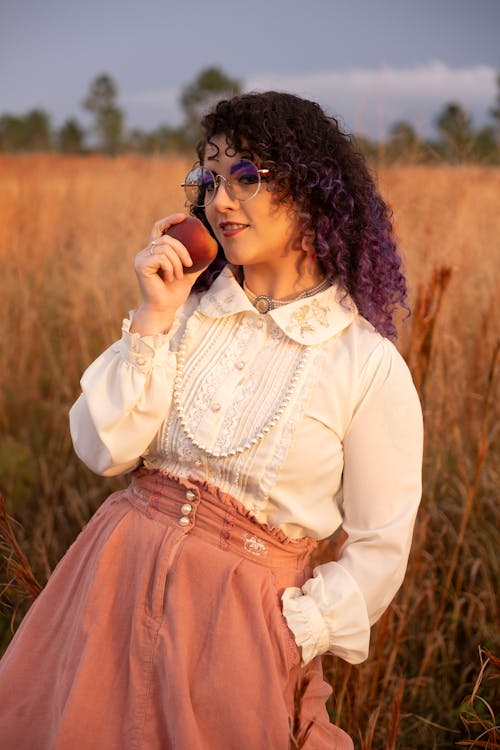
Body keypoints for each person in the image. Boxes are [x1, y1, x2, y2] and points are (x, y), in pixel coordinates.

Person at [0, 92, 423, 749]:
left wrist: (296, 629)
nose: (221, 201)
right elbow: (101, 447)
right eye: (210, 179)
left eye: (247, 177)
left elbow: (381, 544)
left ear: (314, 188)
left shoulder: (364, 363)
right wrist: (155, 314)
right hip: (105, 595)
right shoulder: (185, 315)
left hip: (238, 635)